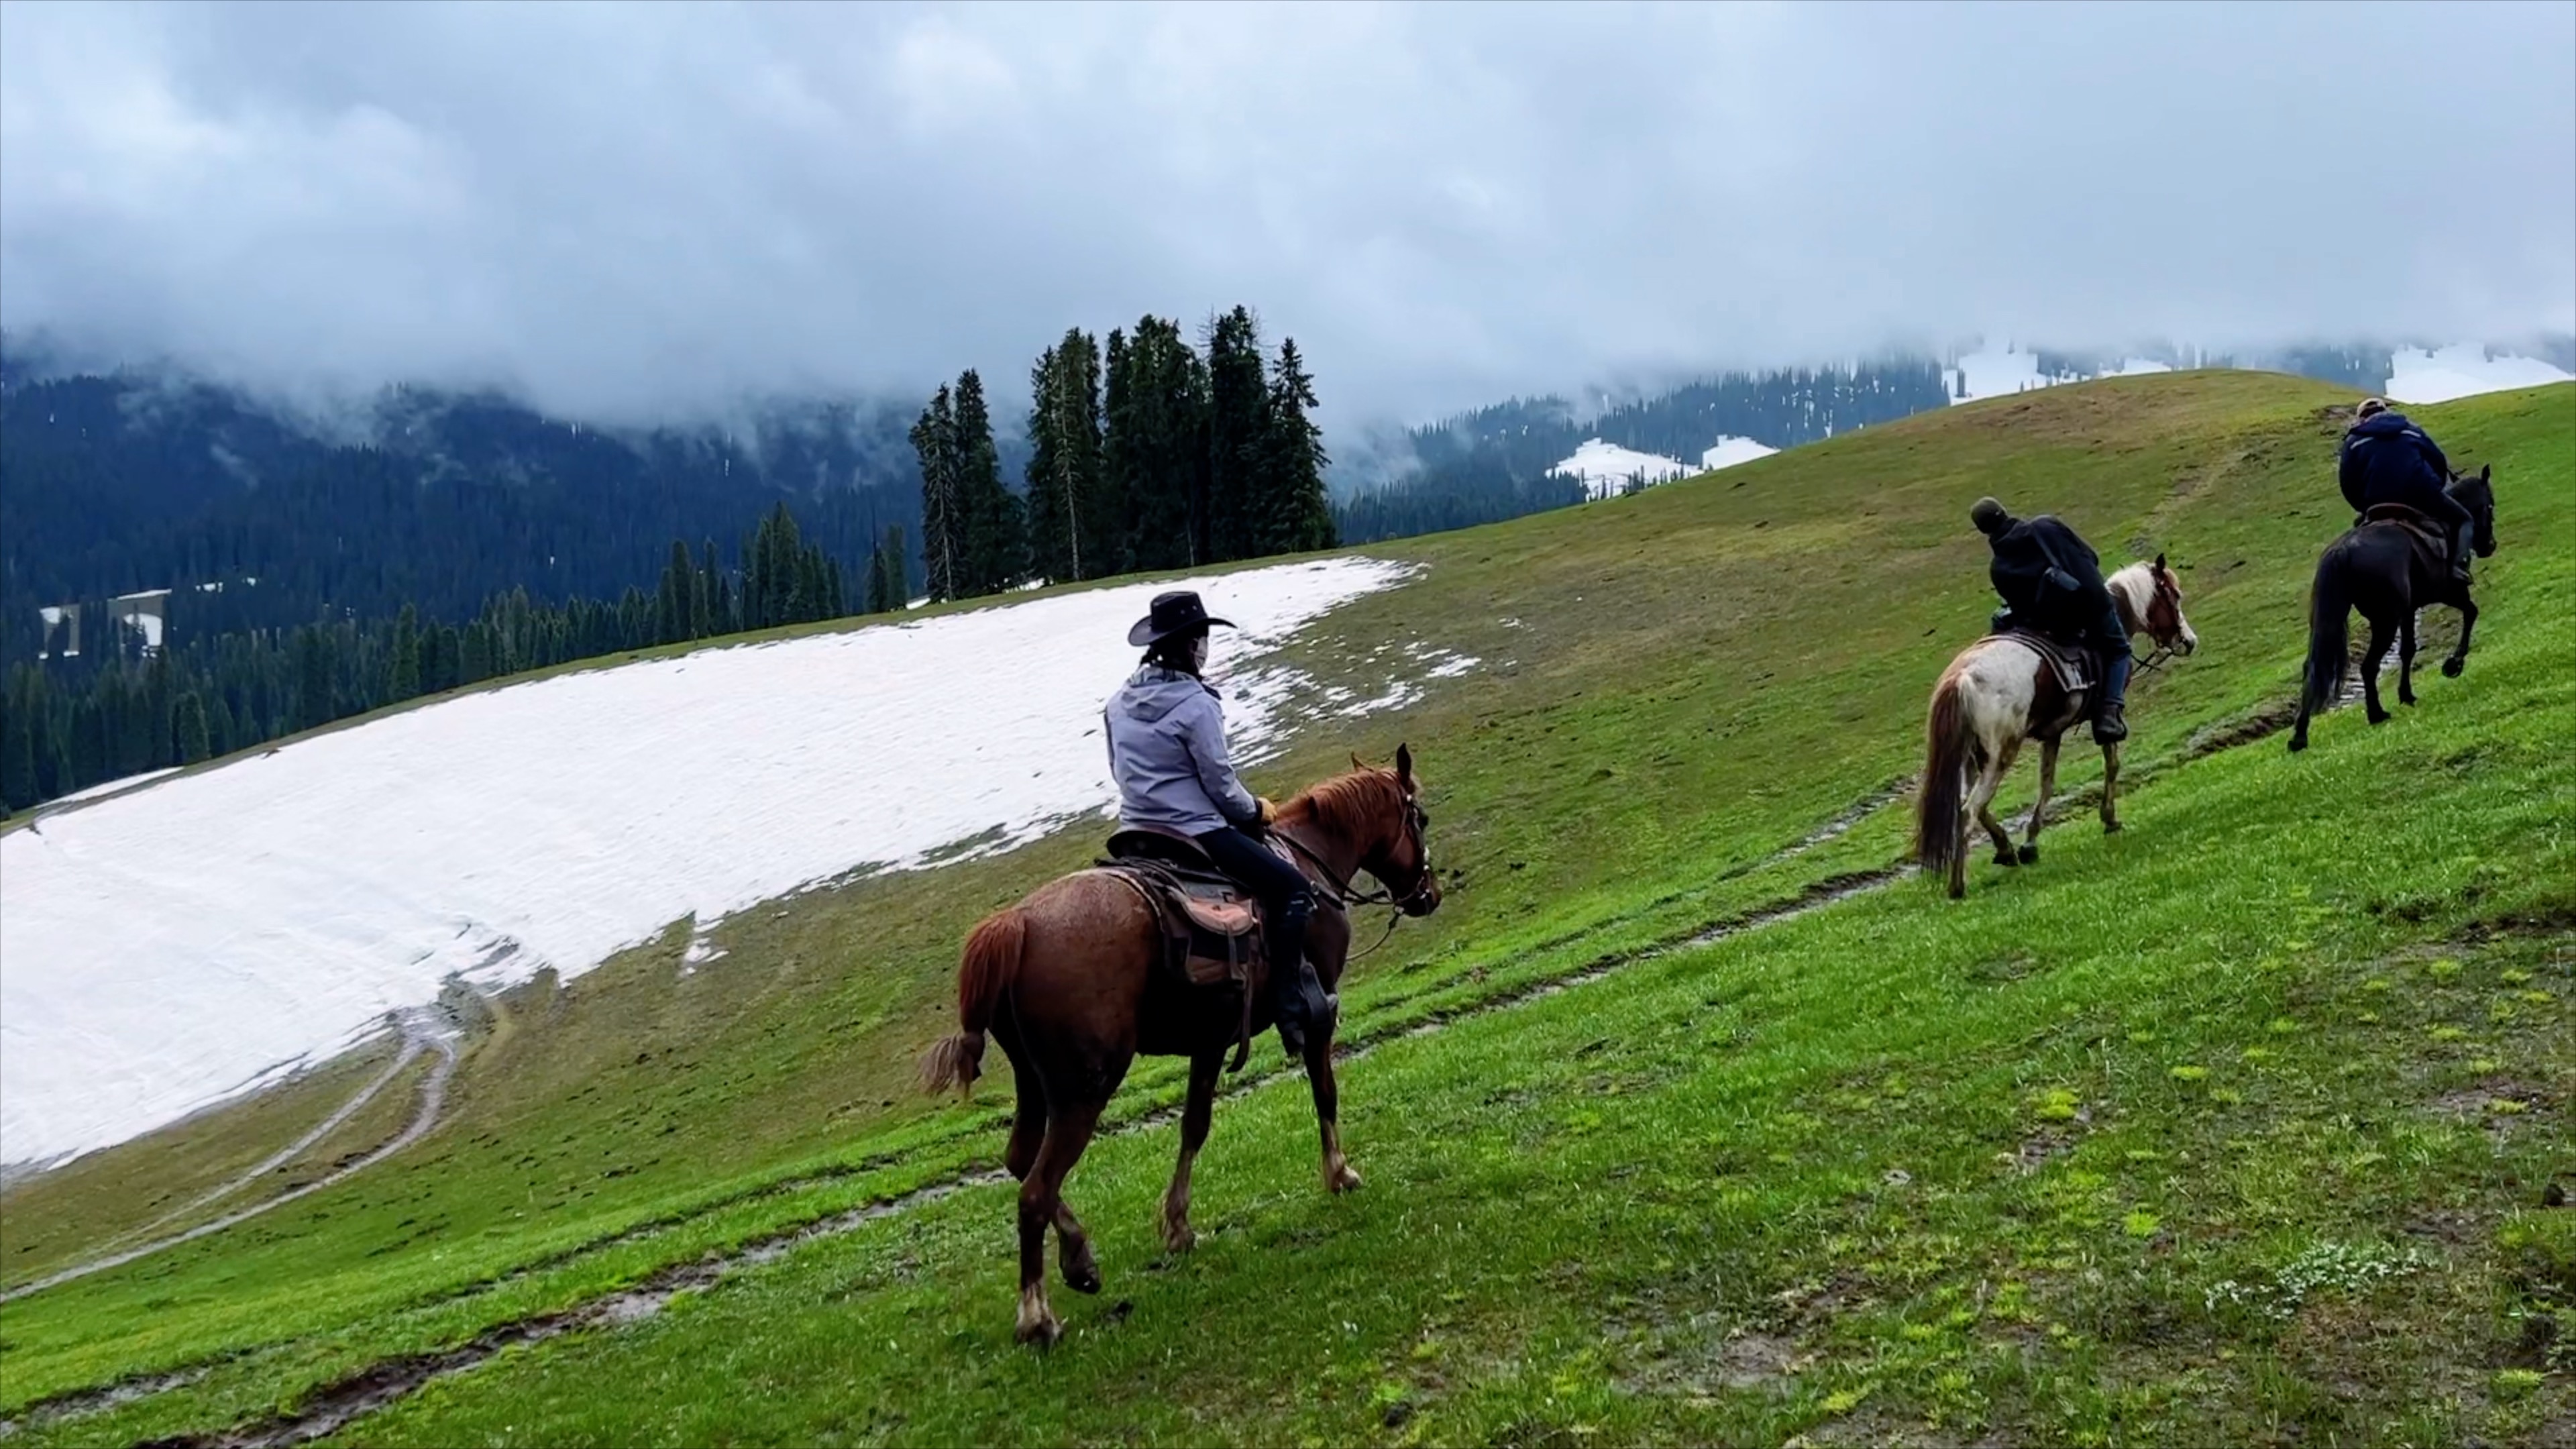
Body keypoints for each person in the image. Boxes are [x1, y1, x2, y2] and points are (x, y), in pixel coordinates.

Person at [1104, 590, 1334, 1054]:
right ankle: (1289, 1003)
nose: (1206, 648)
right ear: (1191, 645)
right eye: (1203, 639)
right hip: (1196, 832)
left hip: (1136, 834)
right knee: (1294, 889)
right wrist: (1255, 809)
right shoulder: (1198, 704)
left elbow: (1117, 769)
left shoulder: (1117, 703)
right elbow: (1221, 785)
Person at [1969, 497, 2133, 744]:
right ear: (2004, 511)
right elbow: (2090, 557)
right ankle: (2109, 713)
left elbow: (2020, 609)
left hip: (2050, 627)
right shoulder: (2045, 527)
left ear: (1983, 531)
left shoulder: (1998, 568)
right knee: (2119, 650)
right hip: (2090, 607)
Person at [2339, 396, 2472, 584]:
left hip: (2377, 501)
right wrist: (2436, 487)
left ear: (2361, 418)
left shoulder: (2354, 440)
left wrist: (2363, 506)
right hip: (2421, 494)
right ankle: (2458, 567)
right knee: (2464, 519)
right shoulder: (2411, 430)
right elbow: (2438, 461)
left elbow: (2348, 482)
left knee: (2356, 534)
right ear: (2385, 411)